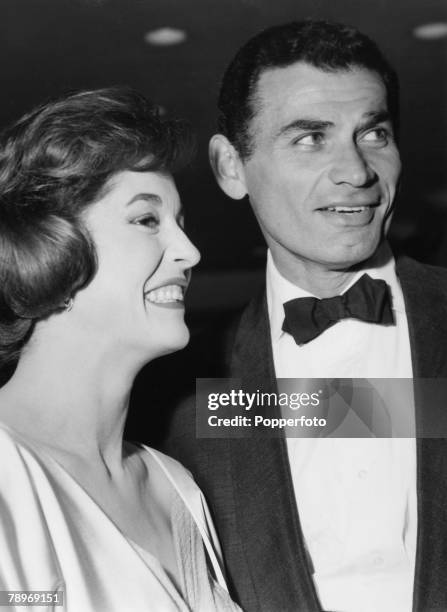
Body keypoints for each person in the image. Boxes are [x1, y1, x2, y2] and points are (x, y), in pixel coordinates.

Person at [165, 20, 447, 612]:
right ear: (230, 168)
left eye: (374, 133)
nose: (357, 171)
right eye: (310, 138)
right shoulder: (183, 388)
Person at [0, 88, 241, 612]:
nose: (190, 252)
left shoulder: (176, 488)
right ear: (47, 245)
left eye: (181, 224)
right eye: (147, 220)